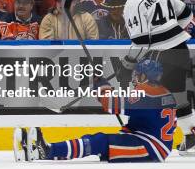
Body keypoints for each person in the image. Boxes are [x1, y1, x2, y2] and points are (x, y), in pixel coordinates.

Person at [19, 59, 178, 163]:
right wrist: (103, 87)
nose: (134, 79)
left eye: (137, 75)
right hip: (151, 141)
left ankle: (47, 151)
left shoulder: (145, 92)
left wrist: (101, 86)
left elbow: (110, 104)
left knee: (99, 142)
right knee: (95, 139)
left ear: (144, 75)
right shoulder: (165, 92)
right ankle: (51, 151)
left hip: (150, 148)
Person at [119, 0, 195, 156]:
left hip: (161, 54)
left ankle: (140, 135)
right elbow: (186, 15)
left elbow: (140, 42)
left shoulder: (133, 3)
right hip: (181, 48)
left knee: (146, 94)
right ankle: (191, 138)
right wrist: (170, 30)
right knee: (178, 96)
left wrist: (127, 64)